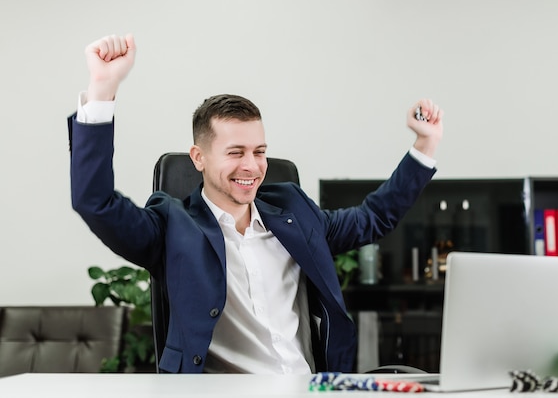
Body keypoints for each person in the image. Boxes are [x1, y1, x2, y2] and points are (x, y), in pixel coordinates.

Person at [68, 33, 444, 374]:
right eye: (235, 152)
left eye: (259, 151)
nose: (251, 166)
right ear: (198, 158)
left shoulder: (294, 211)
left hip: (311, 389)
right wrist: (103, 92)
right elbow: (95, 202)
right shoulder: (172, 227)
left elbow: (373, 218)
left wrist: (424, 145)